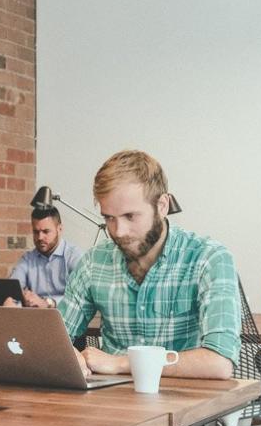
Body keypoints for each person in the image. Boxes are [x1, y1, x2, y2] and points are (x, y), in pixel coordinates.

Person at [58, 150, 241, 379]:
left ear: (162, 205)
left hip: (185, 403)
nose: (118, 232)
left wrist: (122, 363)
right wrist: (67, 353)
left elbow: (219, 362)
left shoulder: (209, 258)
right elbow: (54, 339)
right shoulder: (94, 263)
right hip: (111, 402)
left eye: (130, 216)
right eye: (109, 218)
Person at [9, 206, 84, 307]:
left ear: (60, 229)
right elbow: (13, 287)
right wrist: (17, 299)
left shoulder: (74, 256)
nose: (40, 237)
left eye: (46, 231)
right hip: (35, 318)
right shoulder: (27, 259)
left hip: (66, 318)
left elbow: (82, 295)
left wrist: (49, 302)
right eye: (36, 232)